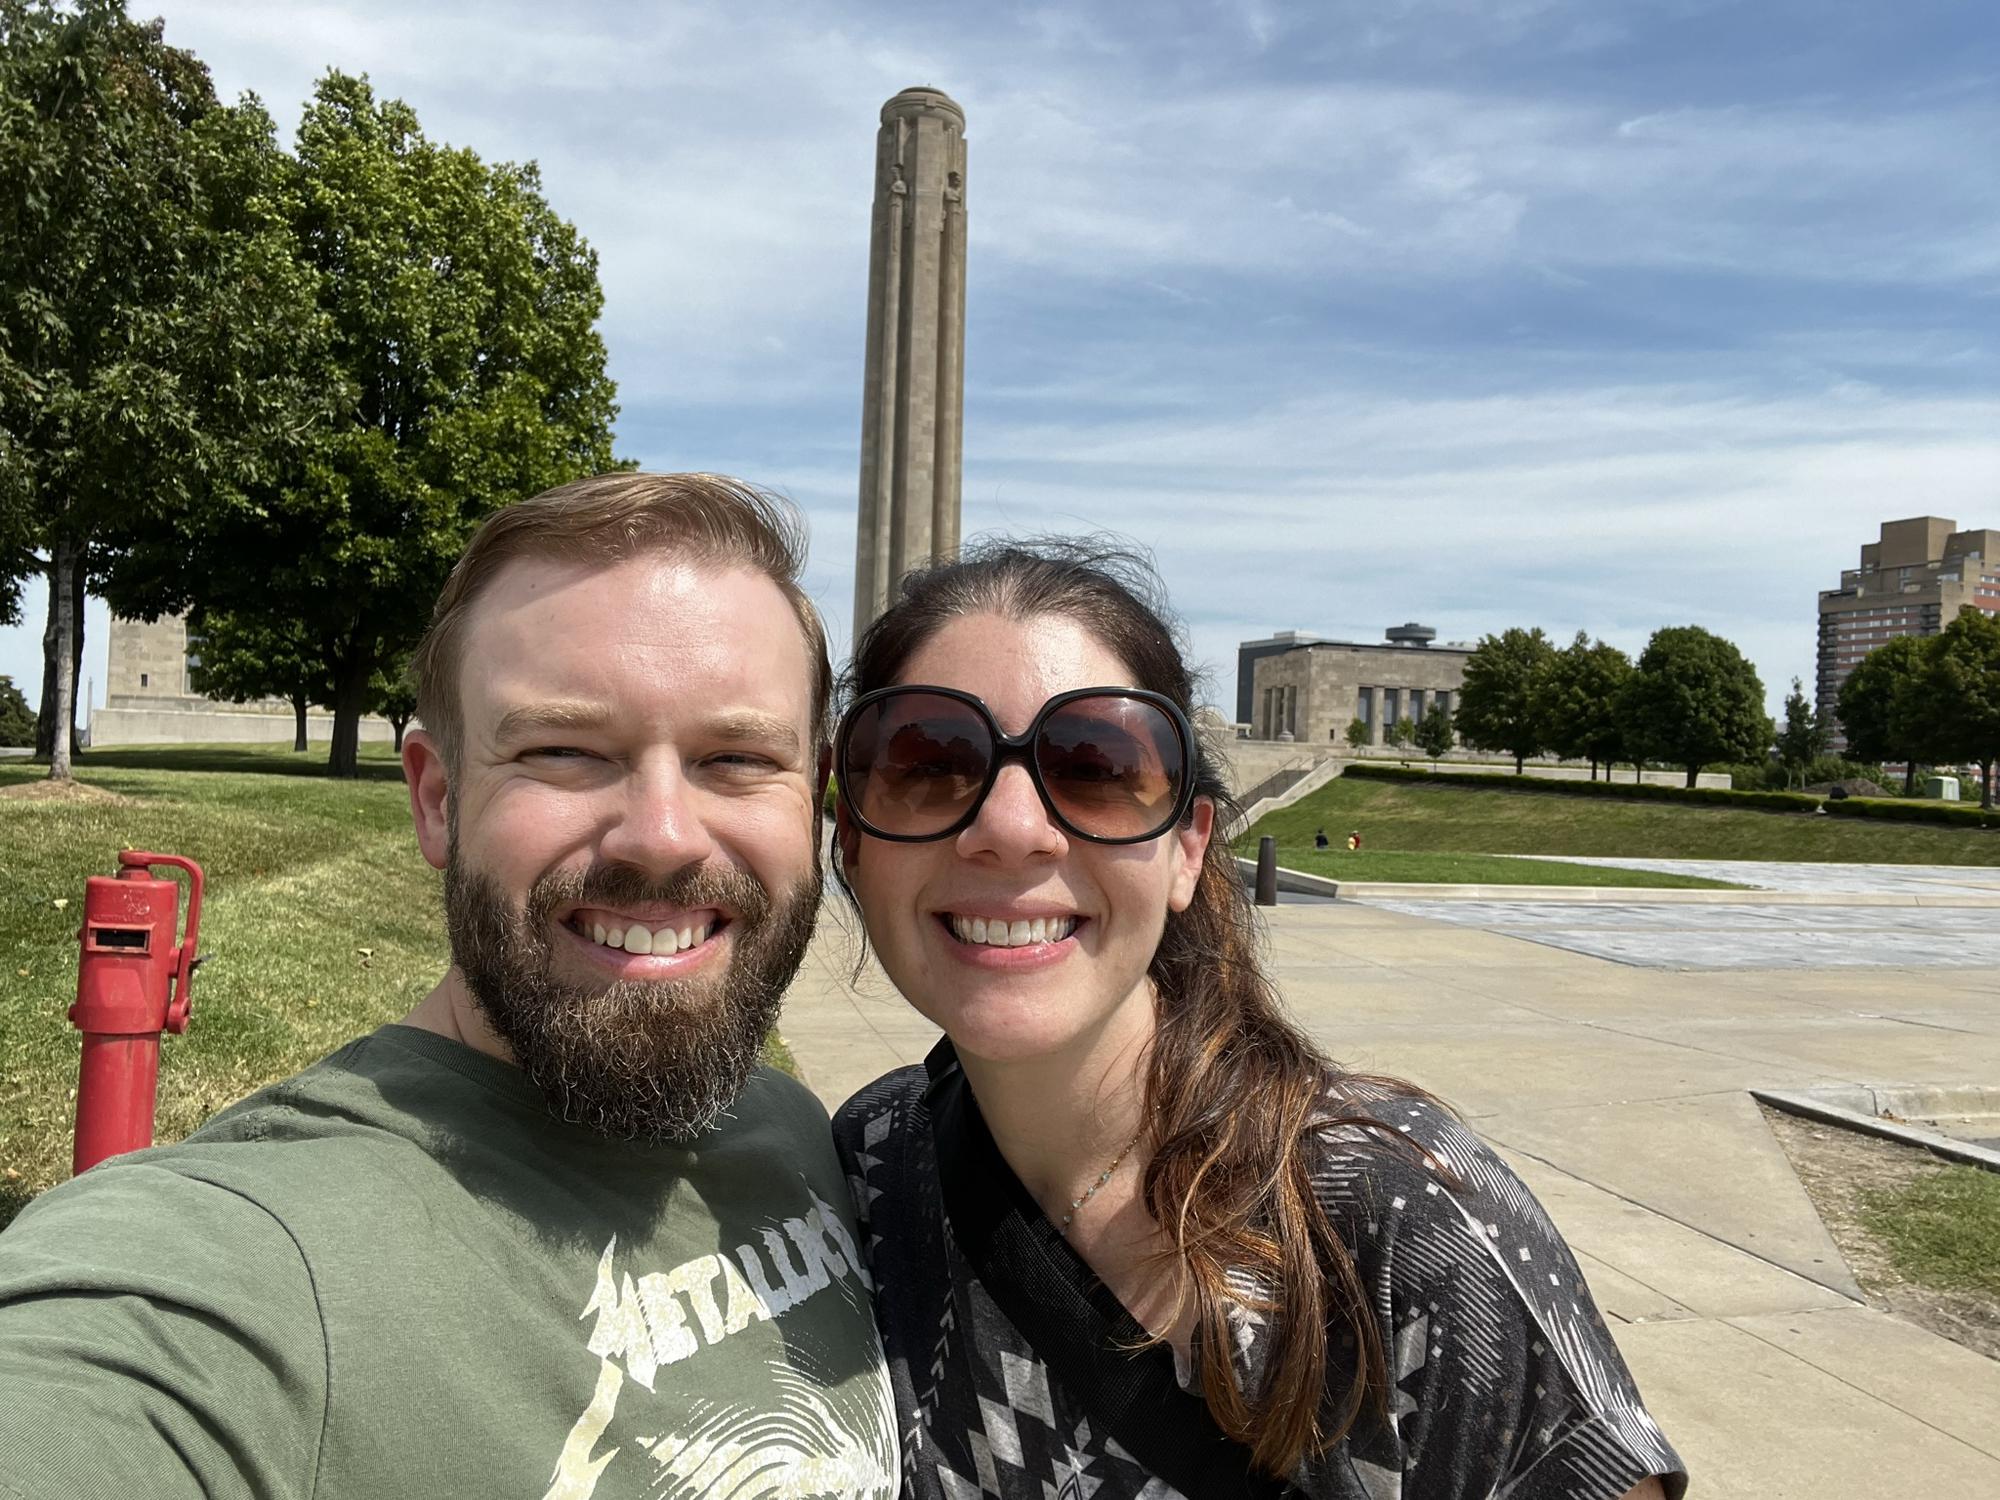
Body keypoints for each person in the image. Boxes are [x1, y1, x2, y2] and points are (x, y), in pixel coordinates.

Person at [0, 474, 897, 1498]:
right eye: (563, 750)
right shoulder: (234, 1272)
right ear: (435, 798)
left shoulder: (793, 1130)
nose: (662, 836)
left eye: (736, 758)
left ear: (813, 797)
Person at [828, 541, 1685, 1499]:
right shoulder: (868, 1167)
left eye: (1096, 766)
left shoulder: (1399, 1225)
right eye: (930, 761)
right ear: (853, 840)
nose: (1012, 826)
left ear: (1189, 850)